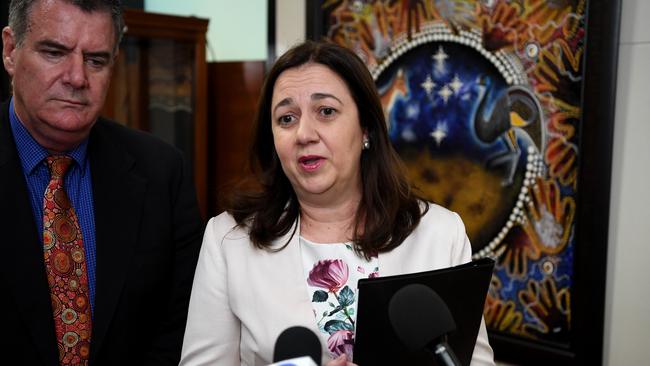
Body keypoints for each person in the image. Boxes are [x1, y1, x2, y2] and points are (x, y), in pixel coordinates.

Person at [180, 39, 495, 366]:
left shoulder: (440, 235)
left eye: (326, 111)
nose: (304, 134)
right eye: (286, 118)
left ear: (366, 129)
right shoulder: (228, 240)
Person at [0, 0, 204, 365]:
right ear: (11, 50)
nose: (77, 77)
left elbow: (180, 328)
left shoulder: (161, 172)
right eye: (55, 52)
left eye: (96, 60)